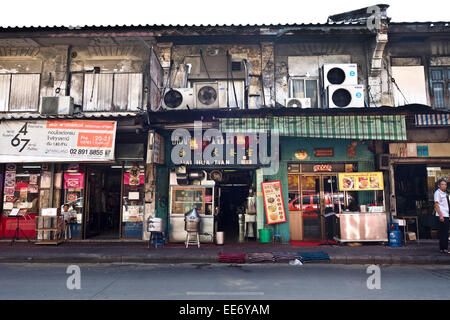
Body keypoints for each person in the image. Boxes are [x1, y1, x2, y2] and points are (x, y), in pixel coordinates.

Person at [434, 179, 450, 254]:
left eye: (445, 184)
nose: (444, 186)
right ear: (439, 185)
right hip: (441, 215)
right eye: (442, 184)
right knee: (442, 233)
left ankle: (445, 248)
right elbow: (436, 205)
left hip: (446, 214)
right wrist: (441, 215)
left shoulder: (445, 193)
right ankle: (442, 248)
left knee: (446, 232)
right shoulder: (437, 193)